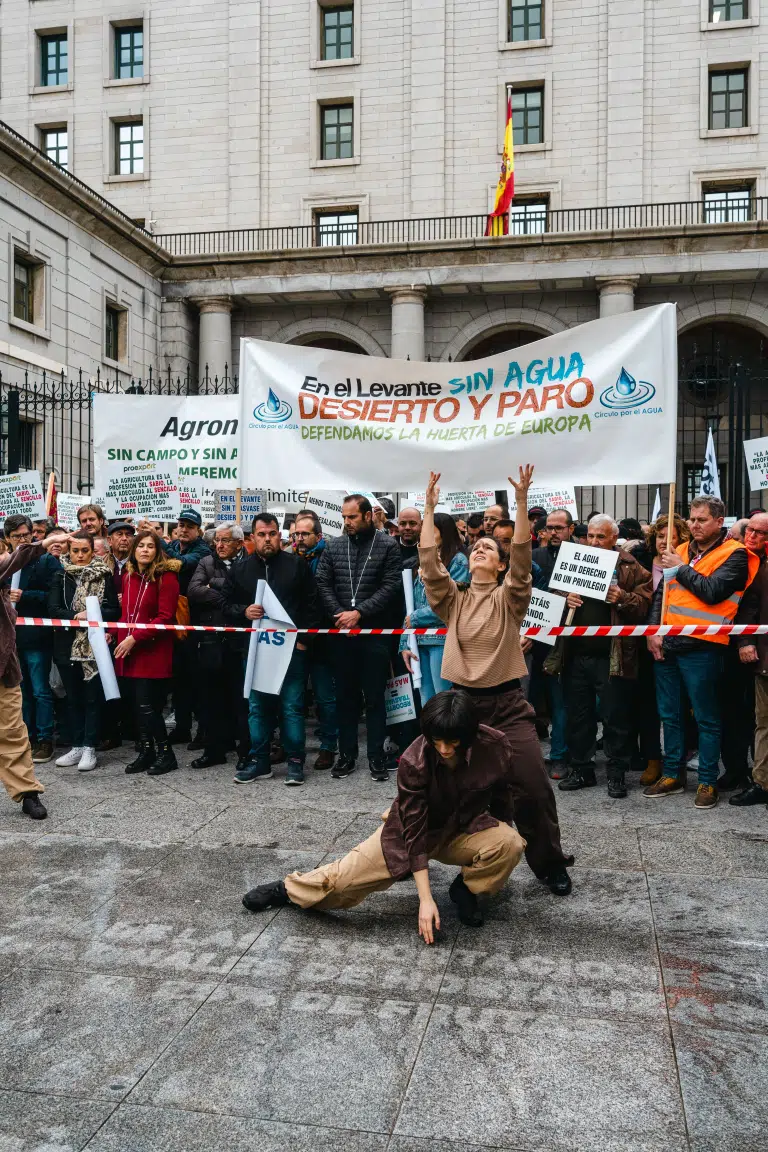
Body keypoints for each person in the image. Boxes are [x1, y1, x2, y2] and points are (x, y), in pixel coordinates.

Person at [242, 690, 527, 937]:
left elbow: (503, 796)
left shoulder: (495, 746)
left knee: (510, 843)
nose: (444, 750)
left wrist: (500, 831)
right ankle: (289, 889)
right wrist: (425, 900)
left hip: (464, 827)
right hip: (411, 831)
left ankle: (466, 889)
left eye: (452, 743)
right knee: (341, 883)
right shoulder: (414, 761)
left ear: (470, 734)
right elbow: (415, 833)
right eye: (436, 741)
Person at [418, 468, 573, 895]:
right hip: (461, 708)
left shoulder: (511, 596)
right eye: (477, 546)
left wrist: (522, 502)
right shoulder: (453, 599)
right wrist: (430, 508)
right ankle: (478, 863)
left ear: (500, 563)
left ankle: (550, 864)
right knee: (462, 793)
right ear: (468, 560)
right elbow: (429, 565)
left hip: (506, 706)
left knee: (533, 788)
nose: (482, 548)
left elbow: (523, 558)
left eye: (490, 547)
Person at [645, 495, 759, 809]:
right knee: (670, 716)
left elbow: (712, 593)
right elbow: (661, 597)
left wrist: (681, 569)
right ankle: (673, 774)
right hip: (668, 645)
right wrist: (653, 632)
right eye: (692, 519)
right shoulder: (680, 551)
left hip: (704, 648)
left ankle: (707, 780)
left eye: (701, 520)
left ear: (718, 522)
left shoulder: (735, 555)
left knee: (707, 718)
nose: (694, 525)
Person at [556, 515, 652, 798]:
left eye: (601, 537)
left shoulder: (631, 567)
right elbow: (554, 596)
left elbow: (645, 607)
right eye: (591, 536)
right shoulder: (575, 560)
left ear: (614, 538)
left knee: (615, 717)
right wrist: (565, 599)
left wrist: (622, 598)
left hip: (612, 656)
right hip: (575, 654)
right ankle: (581, 770)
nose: (594, 541)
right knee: (578, 717)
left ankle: (616, 774)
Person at [223, 512, 320, 786]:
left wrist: (303, 641)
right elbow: (225, 606)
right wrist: (244, 611)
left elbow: (313, 605)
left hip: (291, 652)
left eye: (273, 533)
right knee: (258, 708)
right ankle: (259, 761)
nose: (268, 539)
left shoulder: (296, 566)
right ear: (252, 538)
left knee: (291, 707)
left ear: (281, 535)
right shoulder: (240, 570)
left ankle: (295, 761)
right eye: (262, 534)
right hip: (255, 653)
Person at [315, 494, 403, 782]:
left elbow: (391, 586)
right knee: (345, 699)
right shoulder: (334, 545)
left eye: (352, 517)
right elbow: (323, 582)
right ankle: (347, 755)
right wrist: (339, 614)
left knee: (376, 699)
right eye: (344, 517)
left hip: (374, 635)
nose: (346, 522)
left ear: (368, 516)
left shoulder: (388, 546)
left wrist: (359, 613)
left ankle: (376, 756)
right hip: (341, 634)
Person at [0, 529, 68, 819]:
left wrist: (42, 545)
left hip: (5, 672)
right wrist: (41, 544)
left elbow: (10, 563)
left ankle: (28, 793)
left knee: (14, 734)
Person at [47, 530, 120, 772]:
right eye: (75, 551)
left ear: (92, 551)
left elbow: (114, 610)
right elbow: (53, 609)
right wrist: (77, 616)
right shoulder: (60, 574)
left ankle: (90, 746)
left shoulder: (104, 574)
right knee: (73, 697)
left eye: (85, 551)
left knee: (91, 697)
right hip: (66, 645)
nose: (79, 555)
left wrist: (95, 614)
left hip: (94, 646)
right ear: (69, 551)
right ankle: (76, 744)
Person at [113, 530, 181, 776]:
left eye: (150, 546)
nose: (144, 550)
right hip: (129, 649)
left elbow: (165, 618)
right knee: (136, 705)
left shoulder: (167, 576)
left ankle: (166, 754)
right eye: (140, 545)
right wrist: (116, 634)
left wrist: (134, 638)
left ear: (157, 550)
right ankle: (146, 751)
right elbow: (126, 615)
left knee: (147, 705)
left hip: (152, 649)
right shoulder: (129, 576)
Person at [141, 508, 209, 746]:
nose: (184, 529)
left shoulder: (202, 550)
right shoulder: (176, 545)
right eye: (181, 524)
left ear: (198, 530)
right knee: (179, 679)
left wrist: (158, 540)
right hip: (174, 622)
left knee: (196, 680)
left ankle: (203, 731)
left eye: (189, 526)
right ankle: (182, 727)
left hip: (194, 623)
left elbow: (178, 564)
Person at [635, 514, 691, 786]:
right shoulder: (641, 560)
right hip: (643, 642)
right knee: (647, 705)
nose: (663, 542)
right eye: (659, 536)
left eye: (671, 537)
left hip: (677, 642)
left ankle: (677, 758)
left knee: (676, 707)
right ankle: (652, 758)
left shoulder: (687, 562)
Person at [187, 522, 250, 770]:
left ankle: (245, 750)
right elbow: (194, 590)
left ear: (239, 543)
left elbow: (249, 595)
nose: (219, 545)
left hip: (240, 641)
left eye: (225, 541)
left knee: (240, 699)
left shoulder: (250, 563)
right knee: (212, 698)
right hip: (212, 639)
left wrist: (216, 586)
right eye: (217, 541)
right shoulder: (207, 562)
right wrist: (224, 594)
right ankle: (215, 749)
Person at [4, 514, 61, 764]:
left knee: (40, 690)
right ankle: (27, 736)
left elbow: (55, 595)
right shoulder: (6, 563)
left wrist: (25, 595)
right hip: (11, 641)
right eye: (17, 536)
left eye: (26, 535)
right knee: (21, 691)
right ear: (8, 539)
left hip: (37, 637)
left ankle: (45, 739)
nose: (22, 540)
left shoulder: (46, 561)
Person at [401, 513, 469, 702]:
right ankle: (430, 733)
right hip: (418, 642)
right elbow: (410, 606)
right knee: (426, 701)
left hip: (442, 640)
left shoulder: (458, 561)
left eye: (431, 529)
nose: (424, 533)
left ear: (444, 532)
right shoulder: (422, 561)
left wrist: (415, 619)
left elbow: (452, 602)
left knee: (443, 700)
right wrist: (404, 643)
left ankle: (445, 733)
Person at [530, 507, 574, 776]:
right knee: (529, 700)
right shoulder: (534, 556)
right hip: (535, 640)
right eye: (550, 528)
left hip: (567, 642)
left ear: (571, 528)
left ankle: (559, 755)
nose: (554, 533)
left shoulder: (585, 559)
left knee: (561, 702)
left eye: (560, 528)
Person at [728, 511, 768, 805]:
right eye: (750, 530)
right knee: (763, 722)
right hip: (764, 660)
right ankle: (762, 783)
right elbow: (749, 608)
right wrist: (745, 641)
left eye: (760, 532)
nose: (752, 536)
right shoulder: (759, 568)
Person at [294, 510, 338, 771]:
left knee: (325, 696)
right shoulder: (290, 558)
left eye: (304, 534)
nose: (299, 538)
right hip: (295, 636)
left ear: (318, 536)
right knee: (294, 696)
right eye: (296, 533)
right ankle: (292, 745)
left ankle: (328, 745)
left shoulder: (328, 558)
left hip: (321, 638)